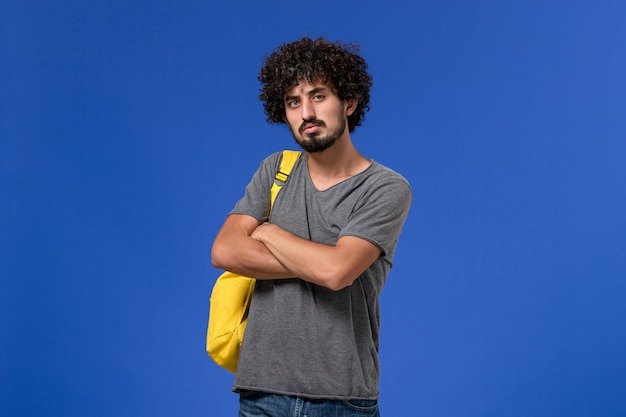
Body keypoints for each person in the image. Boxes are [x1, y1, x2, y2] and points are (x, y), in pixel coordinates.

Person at [211, 37, 412, 417]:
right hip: (261, 392)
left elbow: (336, 272)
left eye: (318, 96)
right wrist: (319, 260)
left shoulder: (385, 188)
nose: (306, 112)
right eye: (293, 101)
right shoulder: (276, 170)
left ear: (349, 102)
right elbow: (224, 251)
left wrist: (269, 233)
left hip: (343, 398)